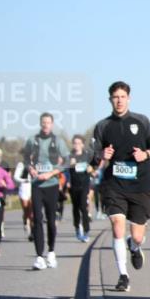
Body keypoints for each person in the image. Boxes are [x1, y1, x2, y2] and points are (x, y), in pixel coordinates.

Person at [91, 81, 150, 292]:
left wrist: (145, 154)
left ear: (128, 99)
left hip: (140, 183)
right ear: (110, 100)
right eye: (115, 97)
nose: (119, 101)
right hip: (115, 184)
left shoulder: (141, 121)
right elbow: (93, 157)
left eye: (122, 97)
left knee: (137, 235)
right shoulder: (102, 126)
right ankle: (123, 275)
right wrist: (101, 155)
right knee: (117, 227)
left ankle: (135, 245)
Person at [21, 113, 71, 270]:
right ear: (40, 123)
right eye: (43, 122)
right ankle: (39, 257)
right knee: (37, 219)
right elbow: (25, 158)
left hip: (52, 185)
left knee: (50, 220)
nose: (45, 125)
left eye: (48, 122)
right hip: (36, 185)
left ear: (52, 124)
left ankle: (51, 252)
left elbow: (67, 161)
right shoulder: (32, 140)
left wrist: (51, 173)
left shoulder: (58, 141)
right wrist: (30, 168)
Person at [67, 135, 93, 242]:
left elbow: (93, 167)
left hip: (84, 185)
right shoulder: (70, 156)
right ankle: (77, 227)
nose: (76, 145)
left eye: (78, 143)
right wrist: (70, 165)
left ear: (82, 144)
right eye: (75, 143)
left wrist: (91, 168)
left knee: (83, 207)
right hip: (74, 185)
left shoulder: (87, 155)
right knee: (76, 208)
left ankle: (86, 231)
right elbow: (65, 170)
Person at [12, 159, 34, 240]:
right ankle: (25, 221)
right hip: (24, 189)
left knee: (32, 213)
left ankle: (32, 233)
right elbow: (15, 177)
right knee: (26, 210)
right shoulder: (21, 164)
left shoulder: (37, 163)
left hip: (33, 189)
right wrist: (24, 180)